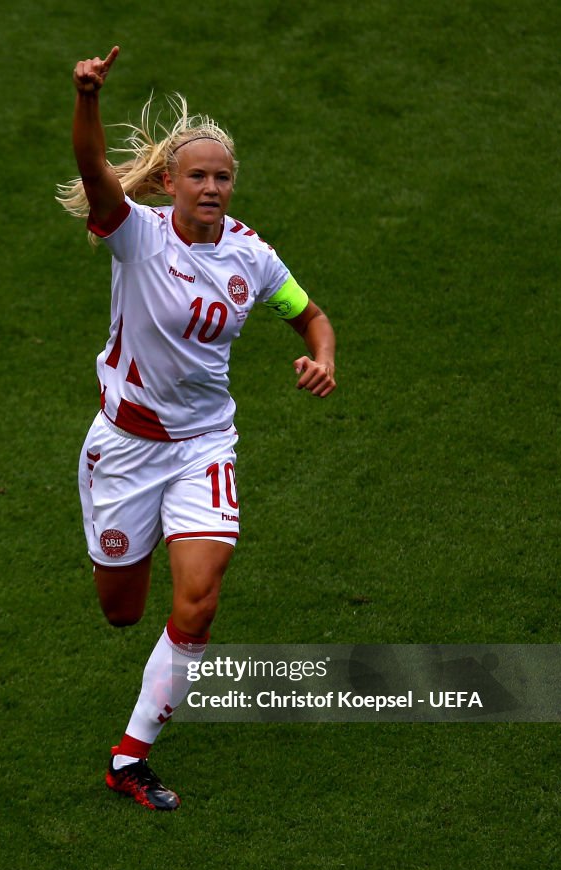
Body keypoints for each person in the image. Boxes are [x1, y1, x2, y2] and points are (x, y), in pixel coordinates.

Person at [58, 46, 336, 811]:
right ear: (171, 183)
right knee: (121, 611)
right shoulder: (137, 234)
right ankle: (119, 548)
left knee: (199, 603)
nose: (211, 187)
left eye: (222, 177)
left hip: (204, 448)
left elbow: (309, 316)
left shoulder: (253, 257)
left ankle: (128, 756)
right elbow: (91, 173)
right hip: (123, 447)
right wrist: (87, 98)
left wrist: (322, 357)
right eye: (198, 176)